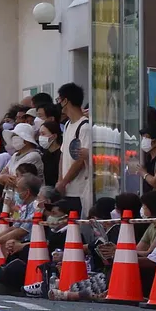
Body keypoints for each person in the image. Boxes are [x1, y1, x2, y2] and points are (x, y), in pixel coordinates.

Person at [56, 83, 93, 217]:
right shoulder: (67, 124)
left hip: (79, 190)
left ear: (65, 100)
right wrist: (60, 180)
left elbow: (80, 159)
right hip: (66, 189)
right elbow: (63, 154)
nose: (58, 103)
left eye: (59, 99)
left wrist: (65, 181)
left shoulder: (84, 126)